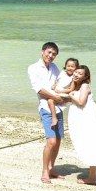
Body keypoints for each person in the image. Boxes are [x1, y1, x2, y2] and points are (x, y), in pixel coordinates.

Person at [57, 65, 96, 185]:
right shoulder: (77, 85)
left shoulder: (84, 86)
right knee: (86, 142)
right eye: (76, 72)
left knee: (91, 143)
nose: (76, 74)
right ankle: (92, 176)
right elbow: (73, 97)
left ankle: (92, 177)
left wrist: (70, 96)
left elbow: (81, 101)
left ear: (85, 76)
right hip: (82, 118)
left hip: (87, 118)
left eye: (80, 73)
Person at [27, 42, 70, 183]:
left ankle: (51, 168)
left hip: (58, 107)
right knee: (51, 141)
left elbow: (60, 83)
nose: (51, 56)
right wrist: (55, 97)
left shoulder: (54, 68)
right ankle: (45, 171)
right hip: (46, 108)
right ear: (42, 51)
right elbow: (38, 89)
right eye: (49, 52)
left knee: (57, 141)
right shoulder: (33, 68)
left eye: (54, 54)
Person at [46, 57, 79, 130]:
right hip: (57, 90)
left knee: (50, 101)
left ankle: (54, 118)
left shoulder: (73, 78)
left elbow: (71, 89)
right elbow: (58, 81)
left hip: (64, 93)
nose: (70, 68)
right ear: (65, 66)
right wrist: (54, 85)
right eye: (68, 66)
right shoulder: (62, 73)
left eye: (72, 66)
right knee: (48, 99)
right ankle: (54, 116)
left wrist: (61, 91)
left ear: (76, 68)